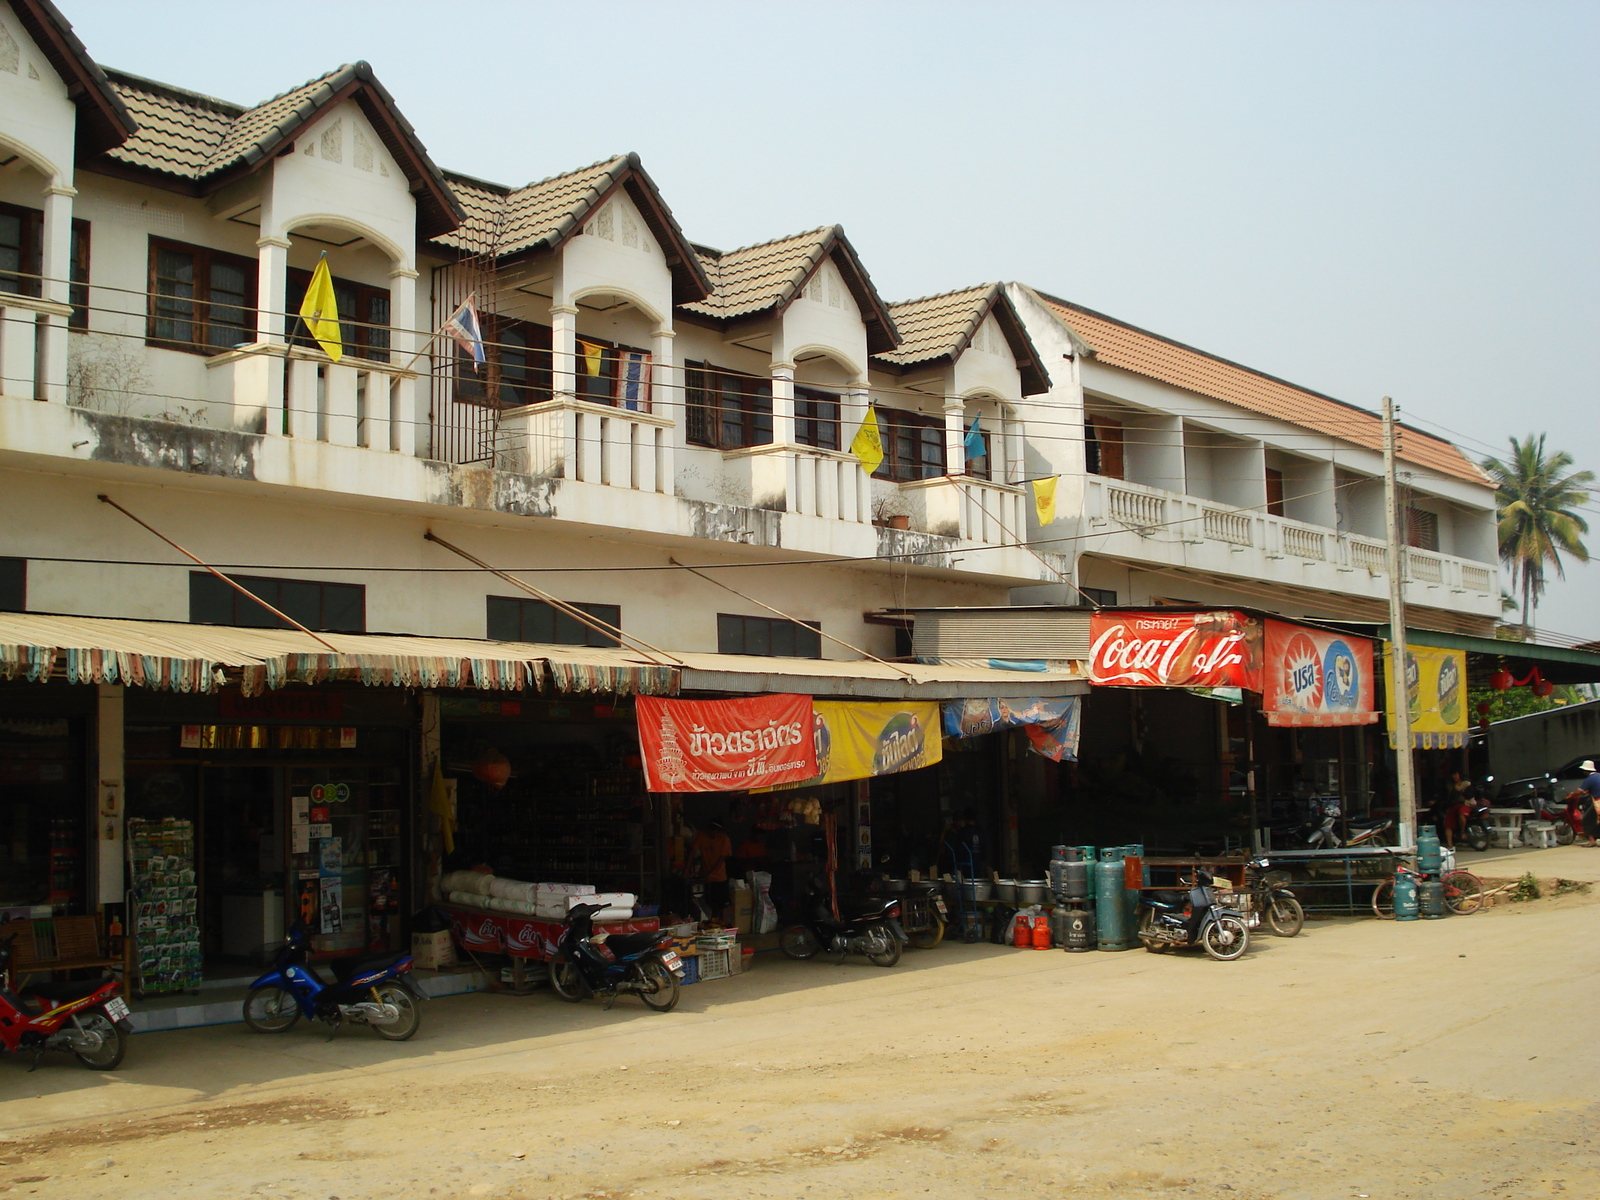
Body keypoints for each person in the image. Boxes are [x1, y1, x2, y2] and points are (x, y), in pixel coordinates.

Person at [692, 819, 734, 913]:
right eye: (712, 830)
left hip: (719, 877)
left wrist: (711, 874)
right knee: (708, 903)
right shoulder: (701, 836)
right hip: (705, 875)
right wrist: (687, 870)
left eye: (717, 831)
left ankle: (723, 924)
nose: (714, 833)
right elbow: (692, 853)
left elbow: (721, 859)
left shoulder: (724, 839)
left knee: (723, 905)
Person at [1576, 760, 1600, 848]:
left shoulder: (1590, 779)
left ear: (1586, 771)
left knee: (1586, 819)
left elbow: (1579, 791)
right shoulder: (1598, 776)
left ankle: (1592, 840)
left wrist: (1571, 795)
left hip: (1598, 801)